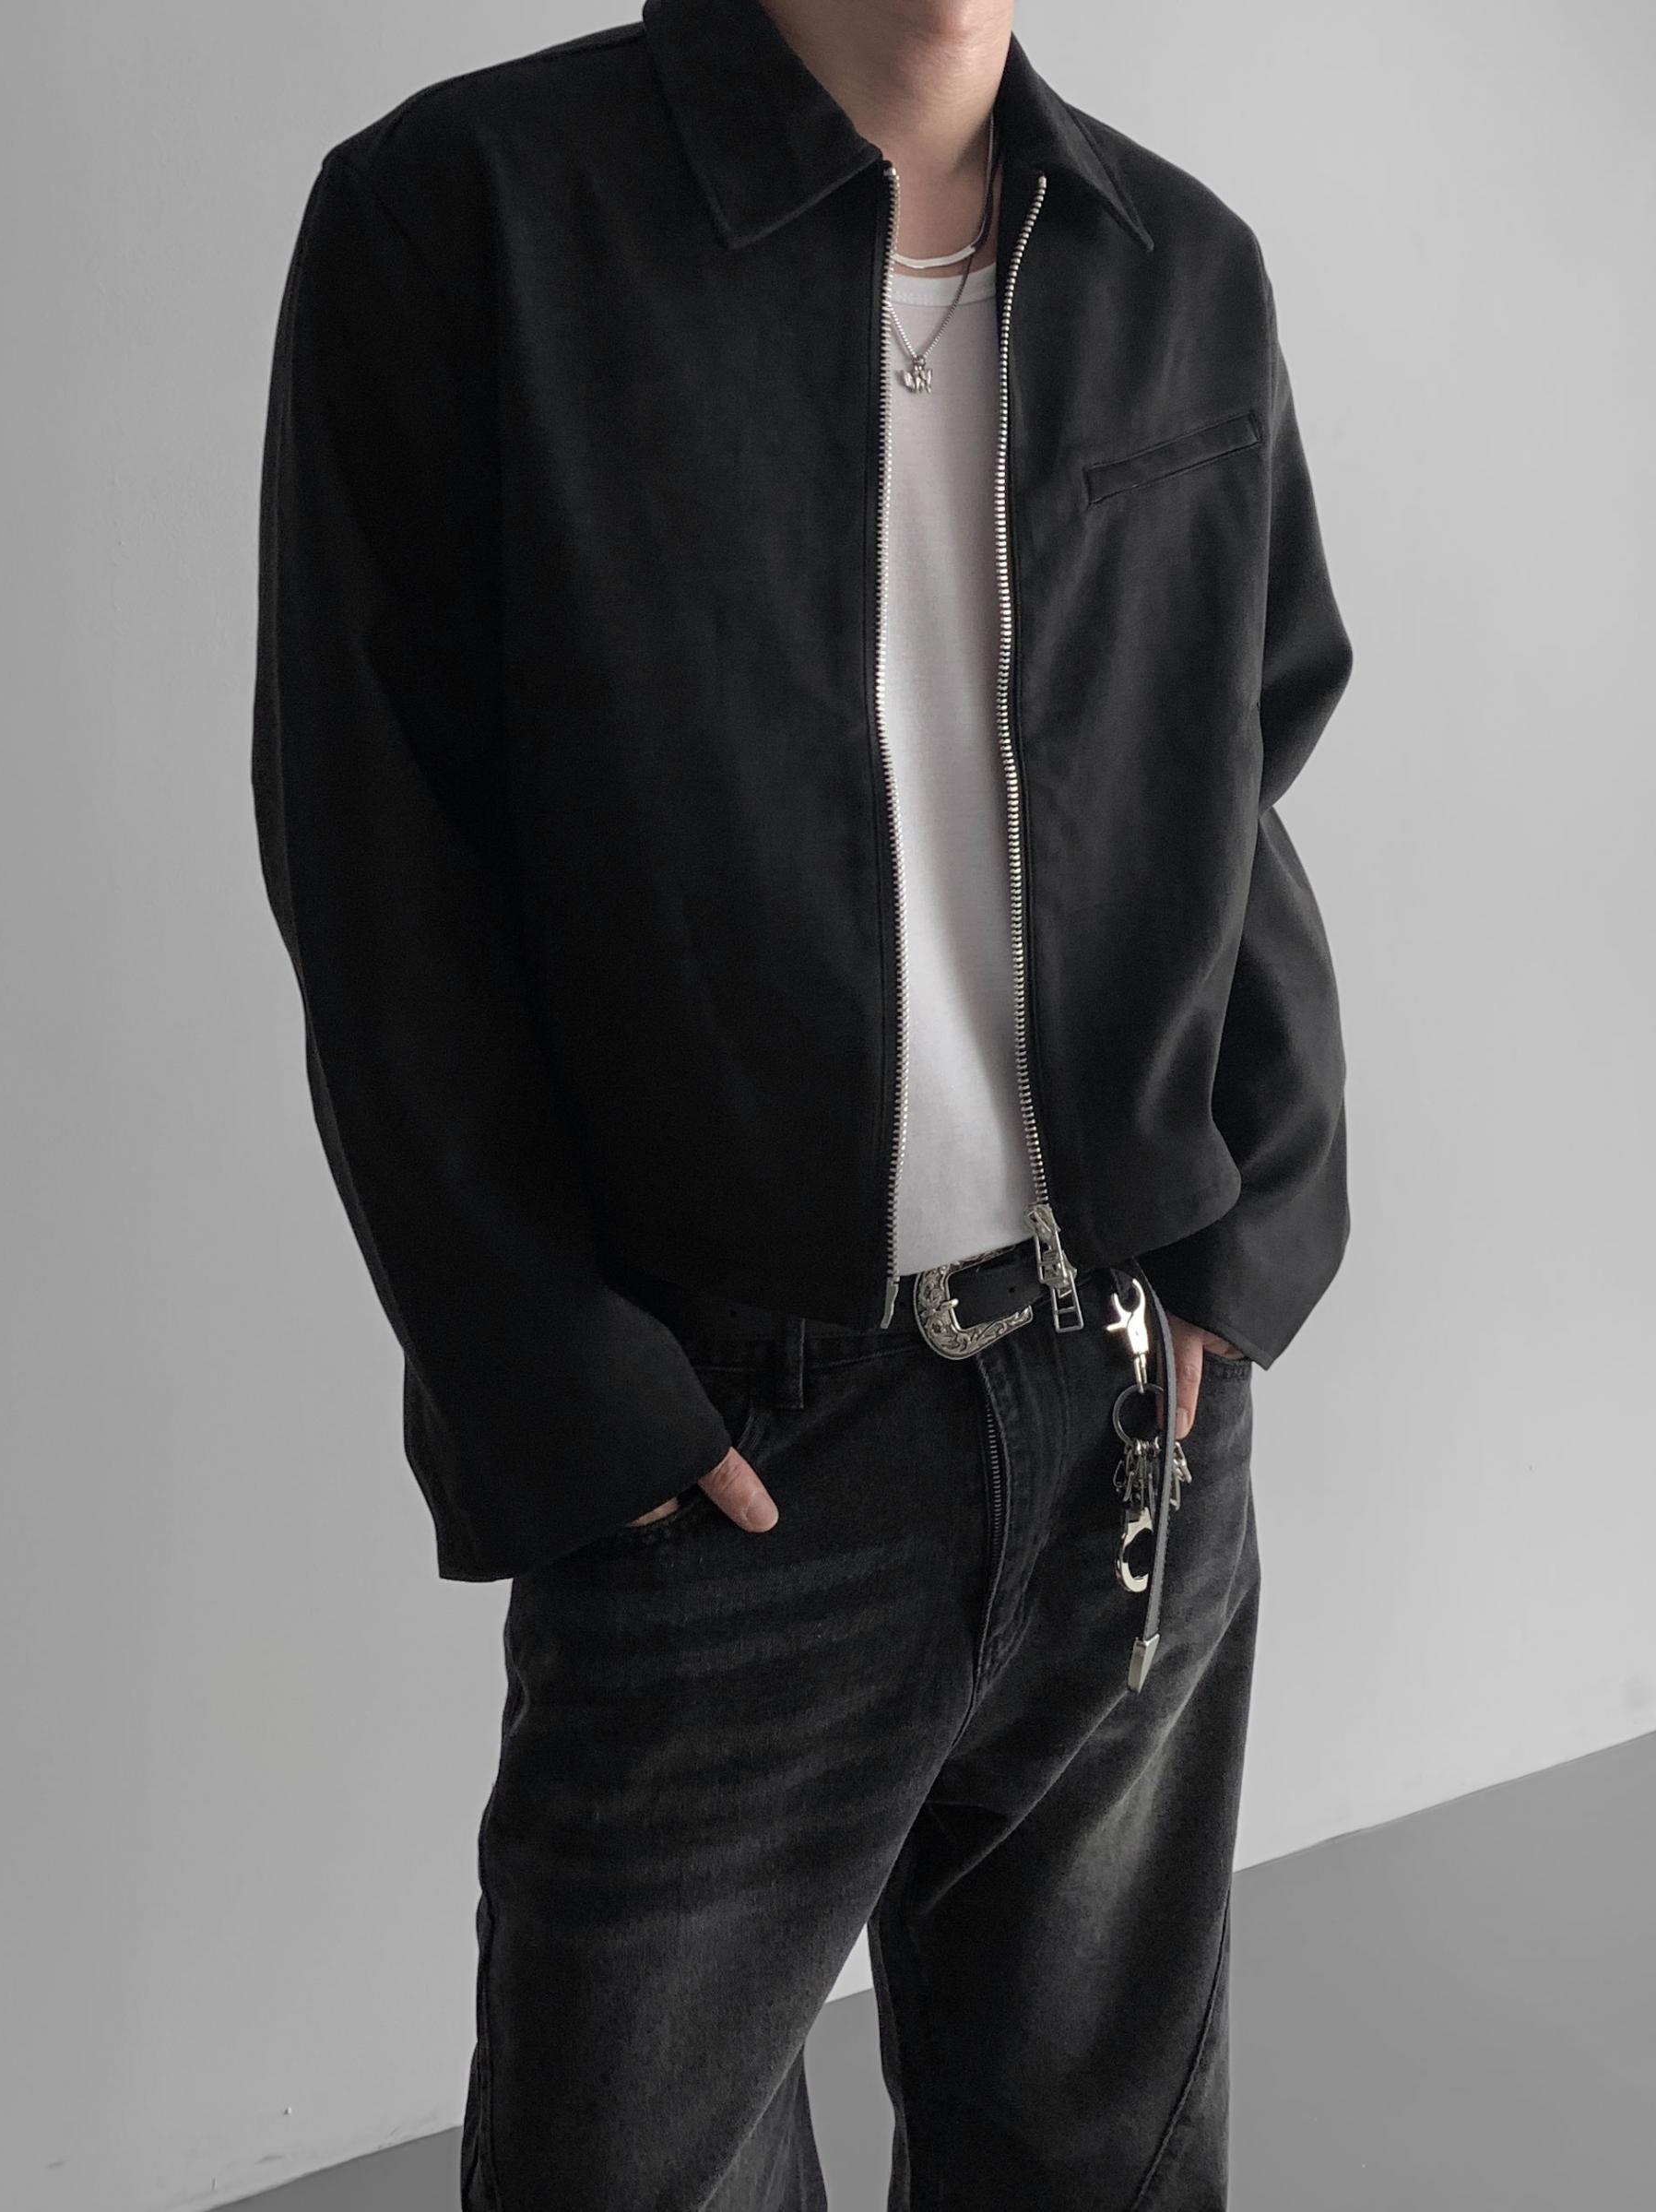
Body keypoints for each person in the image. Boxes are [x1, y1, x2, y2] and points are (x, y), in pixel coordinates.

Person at [252, 0, 1353, 2201]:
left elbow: (1239, 757)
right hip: (727, 1456)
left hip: (1128, 1419)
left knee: (1096, 2164)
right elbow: (379, 867)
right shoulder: (466, 219)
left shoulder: (1177, 261)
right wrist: (566, 1390)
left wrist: (1254, 1227)